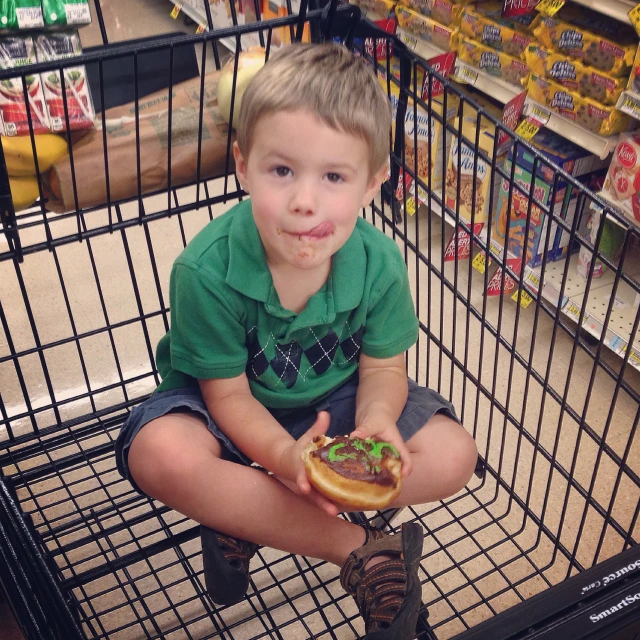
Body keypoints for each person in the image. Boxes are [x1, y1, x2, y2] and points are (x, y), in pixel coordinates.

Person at [115, 42, 478, 639]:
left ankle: (245, 514)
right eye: (281, 170)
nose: (305, 201)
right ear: (242, 163)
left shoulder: (380, 264)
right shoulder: (205, 272)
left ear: (374, 184)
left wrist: (377, 420)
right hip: (223, 411)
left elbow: (385, 368)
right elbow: (227, 397)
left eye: (334, 176)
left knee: (454, 454)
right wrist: (286, 460)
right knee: (159, 453)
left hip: (335, 408)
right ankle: (361, 548)